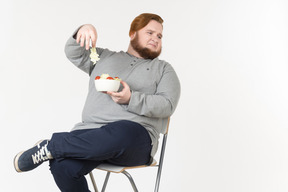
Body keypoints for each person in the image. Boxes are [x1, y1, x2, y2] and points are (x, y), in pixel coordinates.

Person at [14, 13, 181, 192]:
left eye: (159, 36)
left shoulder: (163, 69)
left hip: (134, 141)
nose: (155, 38)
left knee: (122, 131)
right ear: (132, 33)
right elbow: (73, 52)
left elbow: (168, 104)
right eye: (150, 33)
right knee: (63, 166)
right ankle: (55, 148)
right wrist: (84, 29)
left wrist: (131, 98)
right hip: (90, 135)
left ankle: (51, 145)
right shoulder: (103, 57)